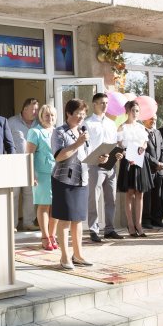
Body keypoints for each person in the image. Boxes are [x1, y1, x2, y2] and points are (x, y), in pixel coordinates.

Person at [51, 99, 98, 269]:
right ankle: (64, 257)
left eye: (83, 113)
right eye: (78, 113)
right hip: (63, 180)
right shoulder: (59, 132)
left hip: (81, 179)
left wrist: (101, 157)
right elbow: (58, 156)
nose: (81, 116)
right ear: (68, 113)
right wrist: (77, 143)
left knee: (77, 220)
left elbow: (86, 154)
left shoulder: (83, 131)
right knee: (64, 220)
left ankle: (78, 255)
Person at [85, 93, 124, 241]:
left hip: (111, 166)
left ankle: (109, 229)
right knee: (93, 199)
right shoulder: (88, 123)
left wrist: (119, 154)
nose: (105, 105)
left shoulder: (111, 123)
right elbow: (86, 146)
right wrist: (96, 157)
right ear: (94, 104)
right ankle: (93, 230)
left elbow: (114, 144)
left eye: (106, 103)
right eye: (101, 103)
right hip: (94, 165)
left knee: (111, 199)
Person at [117, 101, 153, 237]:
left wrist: (143, 147)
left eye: (137, 110)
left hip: (140, 159)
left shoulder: (141, 127)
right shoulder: (122, 127)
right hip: (128, 160)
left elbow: (144, 141)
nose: (135, 113)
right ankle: (130, 225)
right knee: (130, 193)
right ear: (127, 111)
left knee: (140, 193)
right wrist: (127, 153)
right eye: (133, 110)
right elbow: (119, 143)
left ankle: (139, 224)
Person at [26, 104, 58, 250]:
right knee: (44, 205)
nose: (50, 118)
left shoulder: (58, 132)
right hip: (42, 174)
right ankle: (45, 237)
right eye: (47, 115)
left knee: (56, 207)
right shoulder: (35, 132)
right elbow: (29, 156)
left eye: (52, 115)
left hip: (58, 173)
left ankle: (53, 235)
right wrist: (31, 175)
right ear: (41, 116)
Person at [8, 98, 39, 231]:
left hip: (32, 163)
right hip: (14, 164)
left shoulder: (39, 124)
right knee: (13, 194)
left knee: (30, 194)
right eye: (33, 109)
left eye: (37, 109)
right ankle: (12, 225)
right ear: (24, 109)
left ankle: (28, 222)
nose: (35, 112)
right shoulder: (11, 122)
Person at [143, 115, 163, 228]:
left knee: (158, 195)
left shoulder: (157, 133)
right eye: (151, 118)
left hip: (159, 170)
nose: (153, 121)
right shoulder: (141, 132)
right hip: (148, 168)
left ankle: (156, 219)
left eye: (155, 119)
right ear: (144, 119)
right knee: (147, 196)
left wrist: (161, 163)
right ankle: (146, 220)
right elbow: (143, 152)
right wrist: (156, 163)